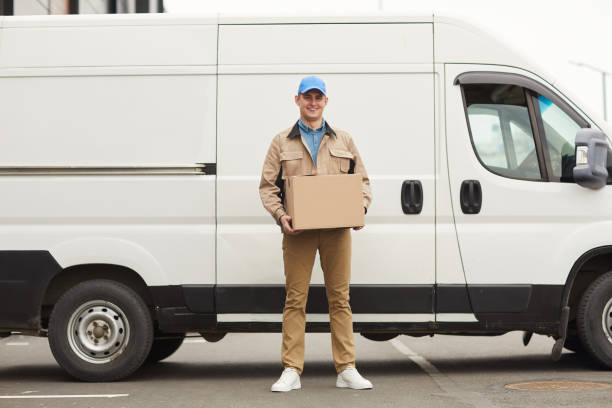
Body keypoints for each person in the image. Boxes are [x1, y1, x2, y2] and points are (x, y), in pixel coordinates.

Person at [259, 76, 373, 392]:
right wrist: (281, 216)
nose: (313, 102)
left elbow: (362, 181)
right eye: (307, 97)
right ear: (297, 100)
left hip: (337, 232)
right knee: (296, 299)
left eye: (318, 97)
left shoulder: (344, 140)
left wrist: (360, 208)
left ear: (325, 102)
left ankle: (347, 368)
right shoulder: (281, 141)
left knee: (340, 299)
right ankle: (291, 370)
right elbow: (268, 187)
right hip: (299, 233)